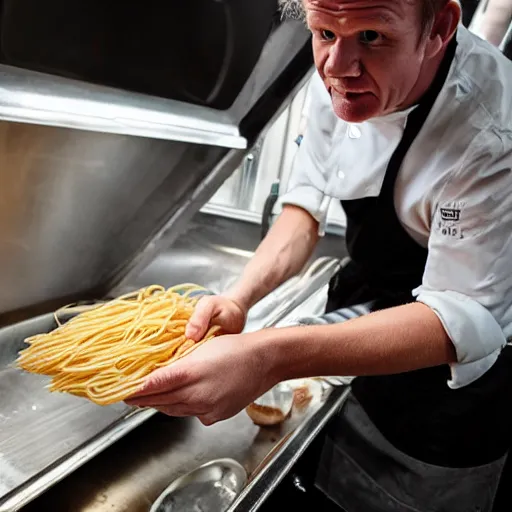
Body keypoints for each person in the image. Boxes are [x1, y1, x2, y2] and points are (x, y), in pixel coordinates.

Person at [127, 0, 512, 510]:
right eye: (323, 32)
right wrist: (239, 298)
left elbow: (464, 318)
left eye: (372, 36)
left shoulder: (493, 128)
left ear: (439, 27)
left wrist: (269, 357)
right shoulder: (340, 73)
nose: (338, 67)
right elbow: (303, 212)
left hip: (445, 398)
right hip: (369, 330)